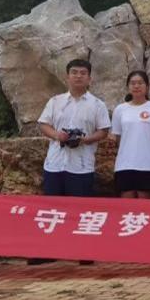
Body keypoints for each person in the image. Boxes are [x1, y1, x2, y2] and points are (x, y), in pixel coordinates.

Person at [37, 59, 111, 198]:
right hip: (54, 164)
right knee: (52, 207)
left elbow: (103, 131)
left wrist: (85, 139)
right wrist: (57, 135)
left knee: (79, 208)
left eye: (83, 73)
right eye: (74, 72)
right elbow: (43, 124)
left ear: (89, 78)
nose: (78, 76)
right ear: (67, 77)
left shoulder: (98, 104)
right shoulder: (55, 101)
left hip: (81, 167)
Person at [111, 70, 150, 199]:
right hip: (124, 164)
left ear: (147, 86)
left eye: (140, 83)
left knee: (144, 202)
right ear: (127, 87)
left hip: (147, 164)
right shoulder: (120, 110)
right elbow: (118, 138)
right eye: (133, 83)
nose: (136, 86)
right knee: (126, 201)